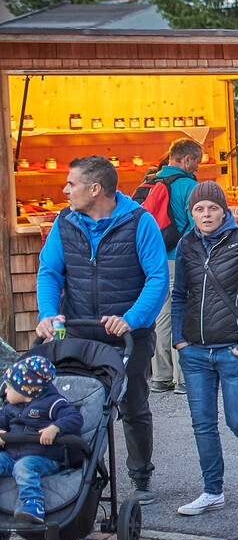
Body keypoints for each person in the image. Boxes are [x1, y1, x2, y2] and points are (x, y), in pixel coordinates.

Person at [35, 155, 166, 504]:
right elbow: (50, 271)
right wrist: (49, 313)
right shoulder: (65, 223)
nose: (65, 190)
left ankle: (140, 478)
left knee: (133, 404)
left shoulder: (140, 222)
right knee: (72, 402)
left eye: (71, 184)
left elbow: (157, 279)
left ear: (95, 189)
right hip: (78, 328)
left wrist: (132, 318)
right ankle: (80, 476)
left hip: (126, 334)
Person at [170, 181, 238, 516]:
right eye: (199, 209)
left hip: (232, 350)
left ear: (223, 210)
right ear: (192, 213)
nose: (206, 214)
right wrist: (179, 341)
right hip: (195, 352)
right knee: (203, 423)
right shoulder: (186, 245)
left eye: (212, 208)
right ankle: (212, 491)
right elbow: (179, 295)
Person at [147, 139, 203, 396]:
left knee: (162, 315)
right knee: (182, 314)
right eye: (196, 162)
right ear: (187, 159)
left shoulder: (148, 182)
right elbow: (198, 227)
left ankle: (160, 376)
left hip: (153, 259)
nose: (197, 167)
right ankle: (183, 379)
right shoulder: (189, 186)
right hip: (178, 259)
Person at [1, 355, 84, 523]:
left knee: (23, 467)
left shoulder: (53, 403)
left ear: (26, 389)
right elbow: (2, 418)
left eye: (9, 387)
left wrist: (55, 428)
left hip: (44, 458)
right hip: (12, 455)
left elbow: (75, 418)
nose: (5, 391)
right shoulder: (10, 406)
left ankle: (33, 504)